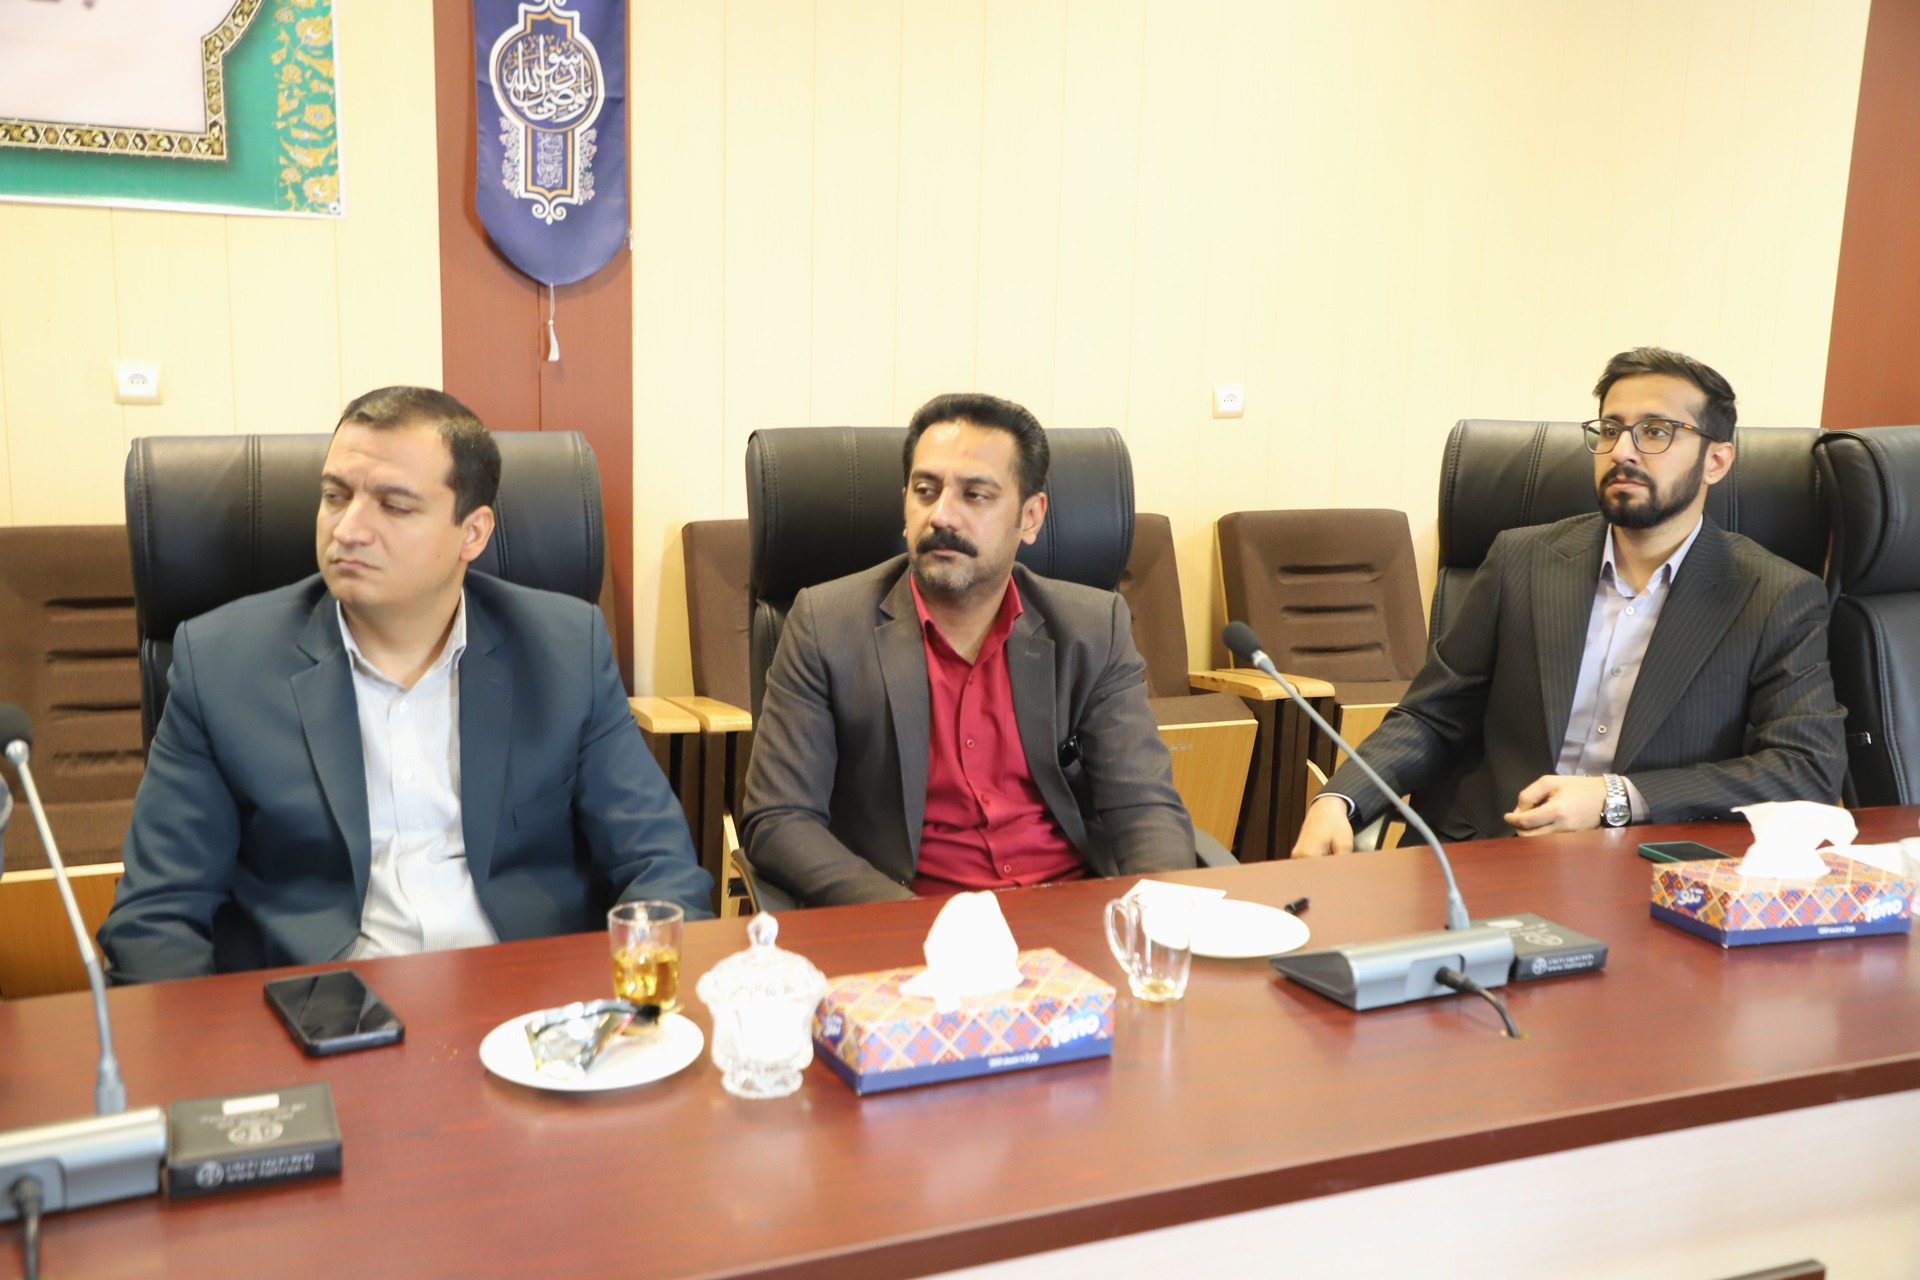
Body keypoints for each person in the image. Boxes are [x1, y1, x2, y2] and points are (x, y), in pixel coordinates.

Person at [101, 388, 711, 982]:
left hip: (524, 1005)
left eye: (394, 506)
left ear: (472, 533)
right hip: (321, 1012)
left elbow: (659, 865)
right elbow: (157, 918)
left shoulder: (564, 650)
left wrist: (642, 1009)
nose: (348, 530)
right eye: (335, 496)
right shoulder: (221, 664)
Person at [1295, 347, 1846, 856]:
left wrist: (1616, 797)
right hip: (1485, 854)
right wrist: (1340, 800)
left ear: (1716, 461)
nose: (1622, 451)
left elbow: (1806, 768)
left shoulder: (1775, 596)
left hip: (1642, 869)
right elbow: (1431, 716)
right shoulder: (1520, 560)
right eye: (1610, 429)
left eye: (1655, 431)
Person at [741, 392, 1196, 906]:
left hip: (1070, 916)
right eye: (925, 491)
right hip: (913, 922)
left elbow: (1143, 807)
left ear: (1030, 517)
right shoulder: (827, 626)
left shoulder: (1093, 628)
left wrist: (1158, 923)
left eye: (975, 495)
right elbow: (779, 818)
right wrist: (912, 921)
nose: (942, 516)